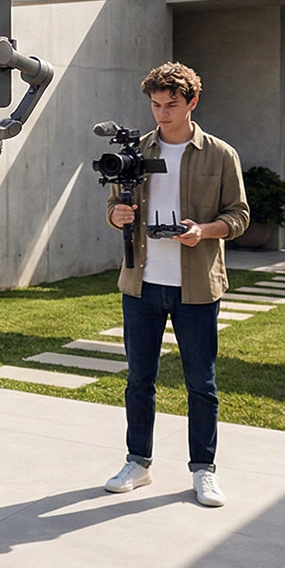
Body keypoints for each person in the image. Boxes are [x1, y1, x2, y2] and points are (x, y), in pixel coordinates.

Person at [102, 62, 248, 508]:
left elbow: (239, 217)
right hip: (141, 282)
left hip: (197, 287)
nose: (162, 114)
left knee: (200, 383)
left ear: (192, 102)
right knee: (138, 380)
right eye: (155, 105)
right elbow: (112, 205)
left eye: (171, 105)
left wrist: (202, 231)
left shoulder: (220, 154)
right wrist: (117, 215)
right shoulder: (136, 151)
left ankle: (204, 470)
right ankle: (138, 462)